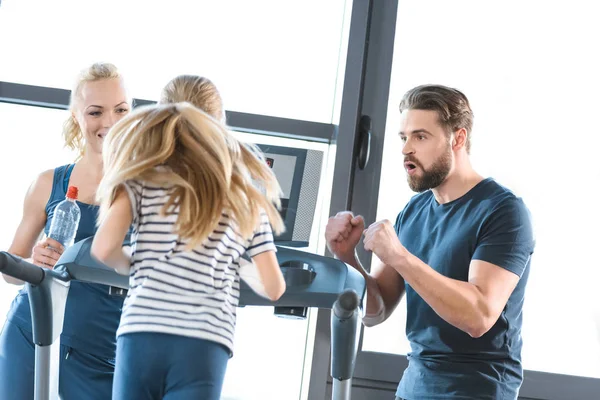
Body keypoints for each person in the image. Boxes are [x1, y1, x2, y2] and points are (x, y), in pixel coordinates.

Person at [325, 84, 535, 400]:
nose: (406, 148)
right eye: (404, 137)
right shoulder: (414, 211)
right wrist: (347, 258)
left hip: (475, 392)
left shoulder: (503, 211)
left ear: (458, 138)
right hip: (412, 389)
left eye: (420, 137)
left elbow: (478, 316)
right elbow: (375, 311)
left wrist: (399, 256)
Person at [91, 101, 287, 400]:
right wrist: (234, 263)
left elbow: (104, 249)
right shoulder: (246, 198)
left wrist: (130, 263)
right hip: (205, 340)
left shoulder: (142, 182)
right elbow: (274, 288)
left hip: (142, 329)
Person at [0, 62, 131, 399]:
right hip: (32, 332)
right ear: (76, 116)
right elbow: (12, 268)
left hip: (102, 348)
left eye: (120, 109)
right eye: (95, 112)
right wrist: (34, 260)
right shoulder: (48, 183)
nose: (110, 122)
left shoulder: (150, 190)